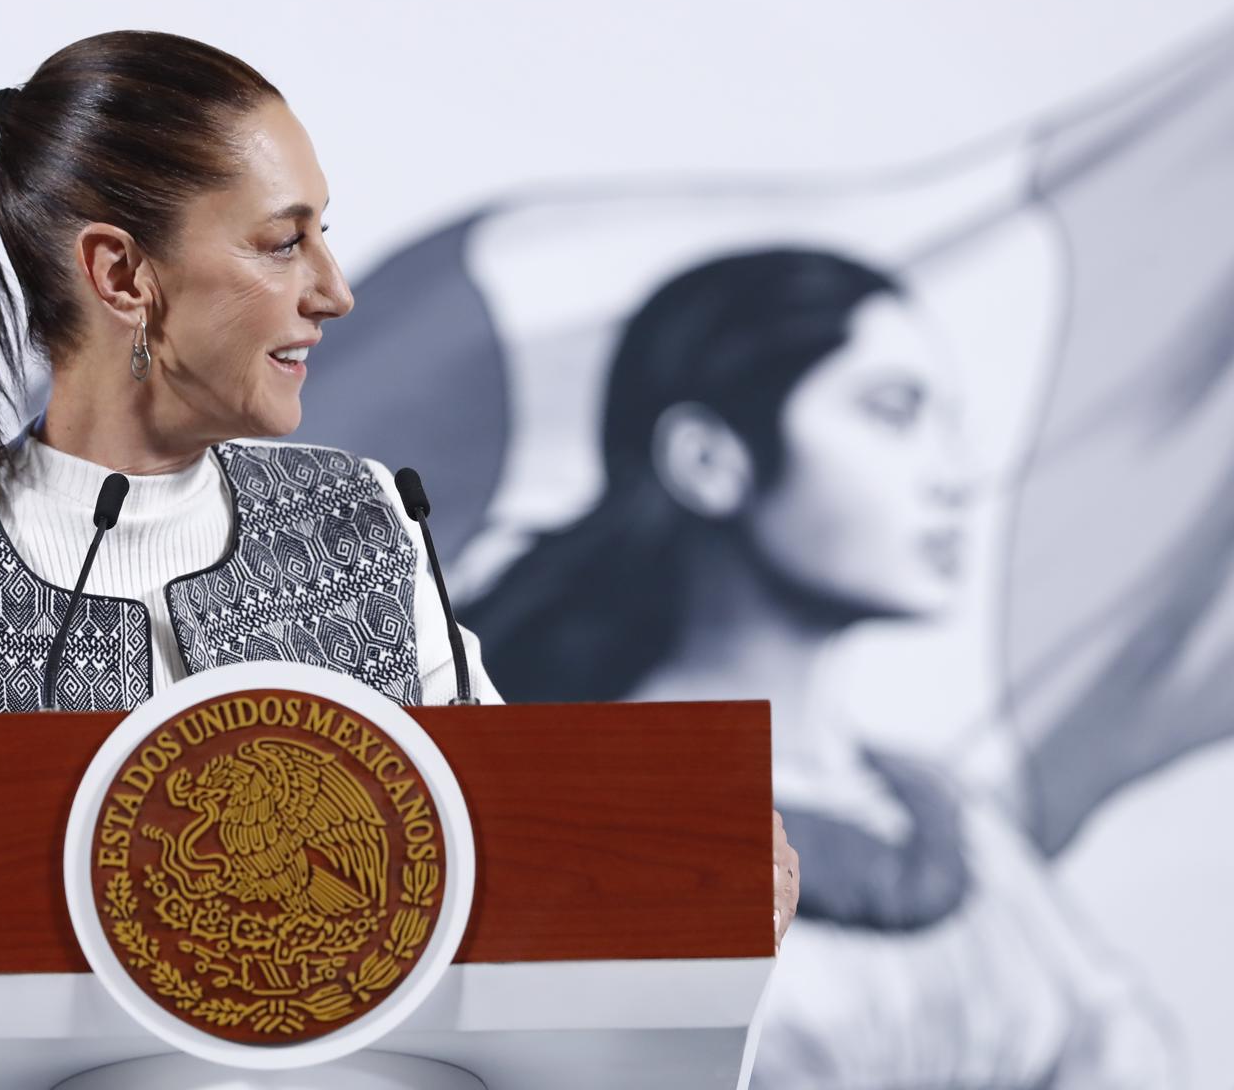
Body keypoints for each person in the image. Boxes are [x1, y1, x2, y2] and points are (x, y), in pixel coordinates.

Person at [0, 32, 803, 1054]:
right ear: (124, 276)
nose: (335, 288)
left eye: (322, 231)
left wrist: (703, 864)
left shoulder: (368, 521)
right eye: (284, 242)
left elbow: (521, 870)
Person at [471, 248, 1177, 1087]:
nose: (953, 476)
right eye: (892, 412)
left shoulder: (957, 823)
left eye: (949, 422)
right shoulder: (571, 819)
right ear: (709, 459)